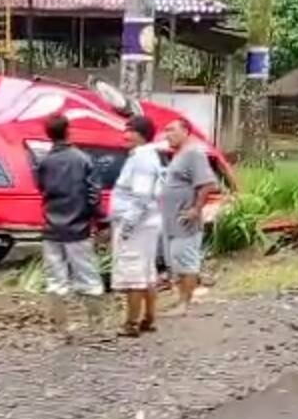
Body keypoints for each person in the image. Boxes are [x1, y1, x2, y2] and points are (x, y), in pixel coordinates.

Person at [37, 114, 105, 336]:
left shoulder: (44, 162)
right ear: (68, 130)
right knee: (88, 276)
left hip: (51, 228)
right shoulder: (82, 159)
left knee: (55, 279)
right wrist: (99, 218)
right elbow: (94, 193)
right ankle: (96, 326)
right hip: (79, 227)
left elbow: (42, 189)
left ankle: (60, 327)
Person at [109, 115, 164, 337]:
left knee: (133, 274)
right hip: (148, 223)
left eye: (130, 131)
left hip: (137, 224)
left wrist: (128, 226)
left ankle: (131, 323)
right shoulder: (149, 156)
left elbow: (141, 197)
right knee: (146, 271)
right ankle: (148, 318)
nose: (126, 135)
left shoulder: (141, 159)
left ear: (141, 134)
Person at [161, 118, 217, 316]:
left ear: (186, 131)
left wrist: (195, 208)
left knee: (187, 262)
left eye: (172, 130)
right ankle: (180, 300)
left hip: (186, 220)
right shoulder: (178, 156)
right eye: (166, 130)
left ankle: (185, 305)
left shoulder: (194, 153)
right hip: (173, 221)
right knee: (177, 261)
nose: (167, 134)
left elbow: (208, 184)